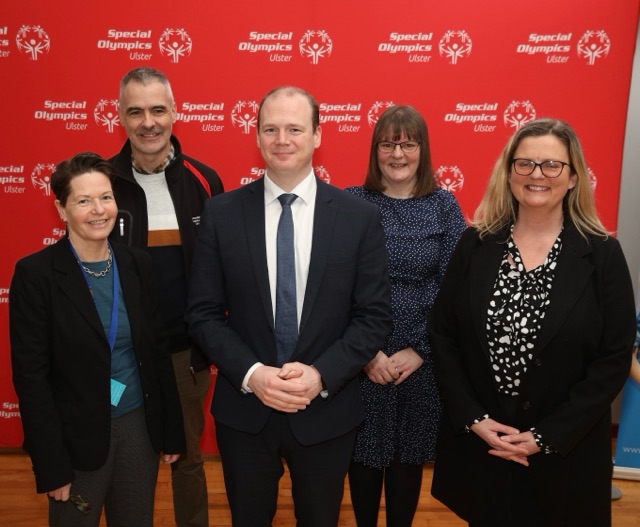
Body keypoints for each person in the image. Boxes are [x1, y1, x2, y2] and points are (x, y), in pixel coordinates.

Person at [186, 86, 393, 526]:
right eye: (271, 129)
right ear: (257, 136)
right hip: (245, 412)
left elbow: (373, 318)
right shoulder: (221, 214)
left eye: (295, 128)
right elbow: (202, 314)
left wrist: (320, 375)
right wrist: (252, 374)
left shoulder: (359, 218)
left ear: (318, 135)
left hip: (326, 411)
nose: (282, 139)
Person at [427, 118, 636, 527]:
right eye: (524, 164)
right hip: (485, 448)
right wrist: (474, 419)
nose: (536, 175)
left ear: (574, 177)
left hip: (565, 455)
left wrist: (546, 436)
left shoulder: (603, 254)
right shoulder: (476, 243)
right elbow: (443, 334)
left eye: (551, 165)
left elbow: (613, 358)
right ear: (509, 173)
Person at [9, 152, 185, 527]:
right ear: (61, 209)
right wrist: (51, 465)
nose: (98, 210)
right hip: (75, 438)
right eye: (83, 201)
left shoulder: (137, 264)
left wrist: (170, 432)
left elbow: (156, 352)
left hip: (138, 426)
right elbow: (31, 379)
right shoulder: (35, 275)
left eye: (105, 197)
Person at [108, 67, 223, 527]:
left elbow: (222, 271)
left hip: (183, 355)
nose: (148, 122)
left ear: (175, 112)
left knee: (189, 461)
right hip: (117, 354)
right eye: (135, 111)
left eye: (158, 109)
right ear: (120, 116)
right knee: (123, 462)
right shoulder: (100, 180)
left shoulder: (205, 180)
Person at [344, 105, 465, 526]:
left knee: (405, 456)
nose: (398, 154)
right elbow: (337, 285)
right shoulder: (351, 202)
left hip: (422, 357)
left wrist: (418, 349)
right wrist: (364, 352)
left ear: (422, 150)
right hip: (361, 353)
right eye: (388, 144)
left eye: (408, 144)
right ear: (375, 150)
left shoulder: (445, 206)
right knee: (362, 454)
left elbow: (455, 289)